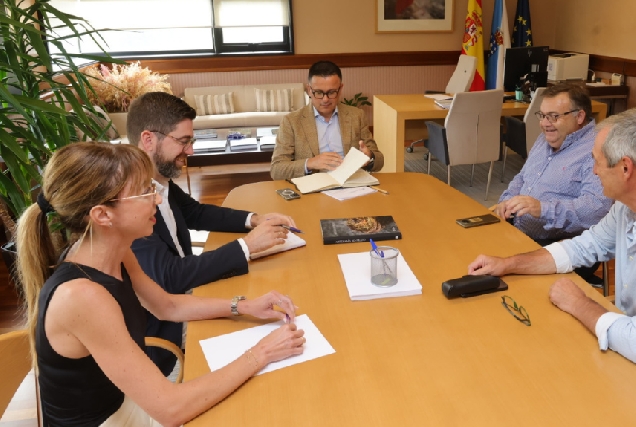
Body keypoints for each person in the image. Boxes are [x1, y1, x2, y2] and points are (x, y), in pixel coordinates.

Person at [15, 142, 305, 426]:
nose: (156, 199)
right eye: (144, 192)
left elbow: (167, 305)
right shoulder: (82, 296)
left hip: (126, 400)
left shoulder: (114, 250)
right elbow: (171, 408)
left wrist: (243, 305)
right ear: (102, 215)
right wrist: (262, 352)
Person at [127, 92, 297, 376]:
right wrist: (246, 247)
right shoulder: (130, 202)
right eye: (183, 141)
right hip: (168, 341)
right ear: (148, 140)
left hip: (187, 302)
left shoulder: (158, 181)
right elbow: (169, 277)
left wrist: (254, 219)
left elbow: (195, 212)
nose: (190, 151)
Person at [467, 109, 636, 363]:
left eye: (597, 162)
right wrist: (509, 264)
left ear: (625, 168)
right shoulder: (625, 208)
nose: (593, 172)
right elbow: (583, 247)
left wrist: (580, 304)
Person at [494, 83, 612, 283]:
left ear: (579, 117)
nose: (545, 123)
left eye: (554, 116)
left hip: (563, 247)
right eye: (542, 115)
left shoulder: (597, 149)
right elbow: (523, 177)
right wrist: (506, 200)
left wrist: (543, 209)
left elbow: (595, 210)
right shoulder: (545, 138)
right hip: (519, 232)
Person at [270, 60, 384, 180]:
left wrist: (370, 157)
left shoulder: (356, 116)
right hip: (314, 187)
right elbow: (277, 170)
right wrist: (310, 163)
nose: (325, 99)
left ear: (340, 89)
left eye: (331, 92)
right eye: (318, 92)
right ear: (309, 90)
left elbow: (379, 161)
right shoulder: (291, 121)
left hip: (351, 183)